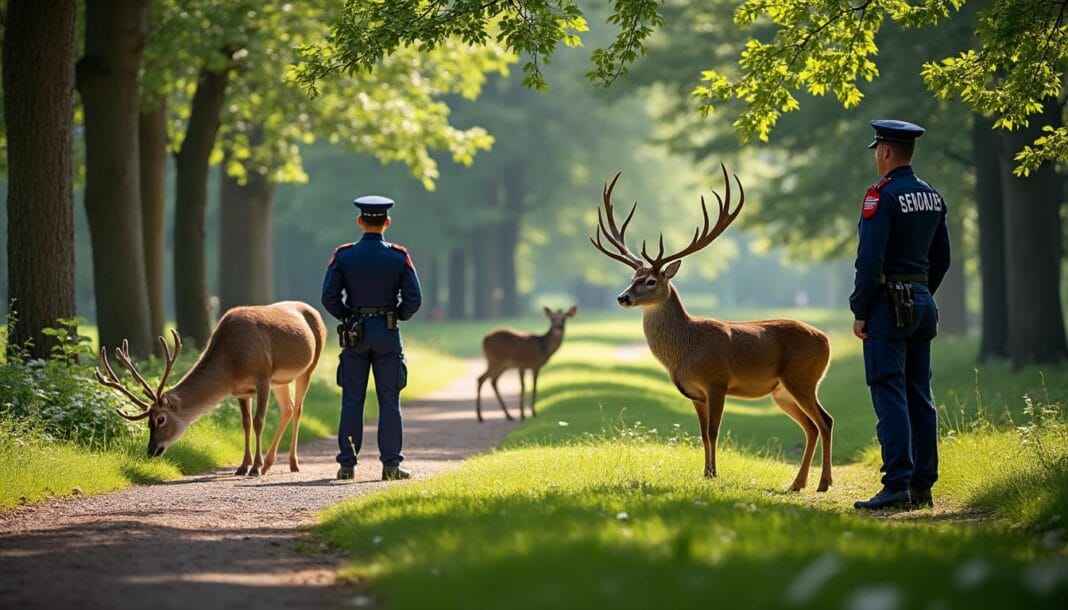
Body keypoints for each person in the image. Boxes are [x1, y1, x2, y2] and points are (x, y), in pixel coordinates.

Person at [850, 119, 951, 511]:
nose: (877, 155)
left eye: (877, 149)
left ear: (886, 151)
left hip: (887, 308)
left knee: (889, 392)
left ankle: (896, 485)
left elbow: (870, 261)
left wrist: (861, 309)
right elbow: (942, 258)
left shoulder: (881, 196)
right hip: (922, 303)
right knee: (919, 396)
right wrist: (924, 292)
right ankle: (922, 487)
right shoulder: (932, 196)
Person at [322, 195, 422, 481]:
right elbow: (414, 299)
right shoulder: (398, 256)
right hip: (387, 333)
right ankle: (391, 466)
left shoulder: (344, 255)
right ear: (387, 222)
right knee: (389, 400)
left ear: (360, 221)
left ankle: (347, 465)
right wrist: (398, 315)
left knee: (352, 398)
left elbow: (329, 297)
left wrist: (347, 316)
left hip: (355, 333)